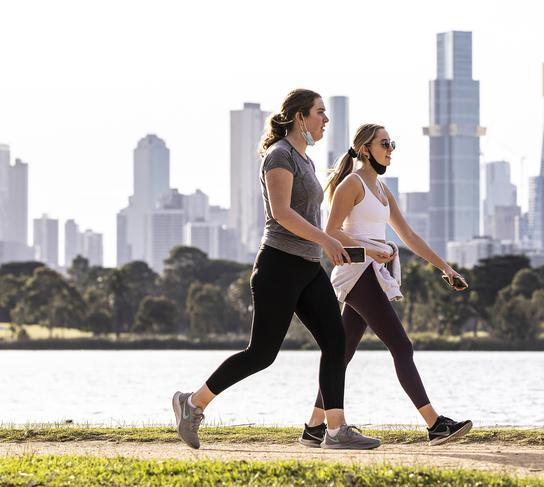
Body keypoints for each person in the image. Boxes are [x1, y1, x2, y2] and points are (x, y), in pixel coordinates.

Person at [172, 90, 380, 450]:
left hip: (307, 265)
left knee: (335, 340)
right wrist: (328, 241)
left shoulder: (305, 159)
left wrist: (331, 244)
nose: (325, 120)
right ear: (299, 117)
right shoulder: (279, 155)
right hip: (279, 265)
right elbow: (283, 213)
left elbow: (310, 216)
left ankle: (335, 429)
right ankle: (191, 404)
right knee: (262, 354)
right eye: (319, 112)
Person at [299, 123, 472, 447]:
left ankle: (314, 427)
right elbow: (331, 229)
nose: (391, 149)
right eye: (385, 143)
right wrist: (369, 249)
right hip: (359, 272)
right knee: (402, 346)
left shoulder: (380, 189)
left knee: (342, 353)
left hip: (373, 271)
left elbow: (409, 236)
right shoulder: (352, 184)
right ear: (366, 149)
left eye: (392, 143)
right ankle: (435, 425)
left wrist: (445, 268)